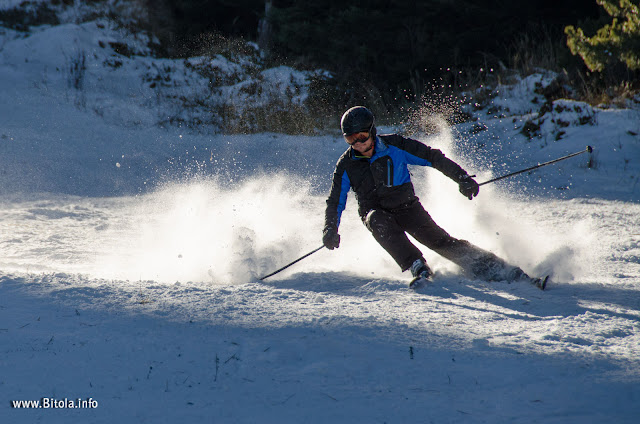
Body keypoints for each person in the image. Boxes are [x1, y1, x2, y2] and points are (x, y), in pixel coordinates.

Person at [322, 106, 539, 288]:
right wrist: (330, 229)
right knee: (376, 220)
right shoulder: (346, 165)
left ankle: (497, 269)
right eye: (351, 138)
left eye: (361, 136)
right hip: (376, 213)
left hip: (407, 208)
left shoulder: (395, 146)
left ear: (372, 131)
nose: (358, 143)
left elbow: (432, 157)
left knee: (440, 241)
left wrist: (461, 177)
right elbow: (335, 202)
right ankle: (417, 265)